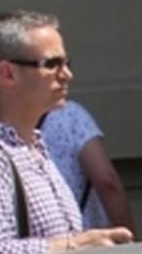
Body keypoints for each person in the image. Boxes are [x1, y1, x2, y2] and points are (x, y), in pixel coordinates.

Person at [0, 11, 134, 254]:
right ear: (7, 74)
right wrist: (76, 245)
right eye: (51, 64)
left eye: (67, 63)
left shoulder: (33, 147)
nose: (66, 75)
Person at [39, 98, 132, 234]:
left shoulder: (2, 122)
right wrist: (129, 236)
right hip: (86, 239)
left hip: (37, 246)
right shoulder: (70, 115)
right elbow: (106, 181)